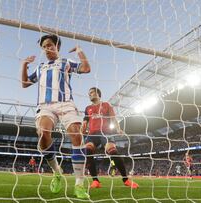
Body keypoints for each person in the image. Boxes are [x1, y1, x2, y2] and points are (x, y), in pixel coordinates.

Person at [21, 34, 91, 199]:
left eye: (50, 45)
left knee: (76, 134)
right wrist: (24, 65)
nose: (47, 49)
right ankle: (57, 172)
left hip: (66, 103)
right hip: (45, 106)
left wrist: (80, 51)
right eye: (44, 46)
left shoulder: (66, 62)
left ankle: (79, 184)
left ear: (57, 47)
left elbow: (86, 68)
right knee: (43, 134)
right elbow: (25, 84)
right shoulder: (41, 67)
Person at [83, 87, 139, 189]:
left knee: (112, 151)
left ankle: (125, 180)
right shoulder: (87, 108)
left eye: (91, 92)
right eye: (89, 93)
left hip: (105, 133)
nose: (90, 94)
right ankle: (95, 180)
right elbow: (85, 122)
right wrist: (81, 131)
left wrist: (118, 129)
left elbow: (113, 118)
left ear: (98, 94)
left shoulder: (106, 105)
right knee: (87, 150)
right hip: (92, 134)